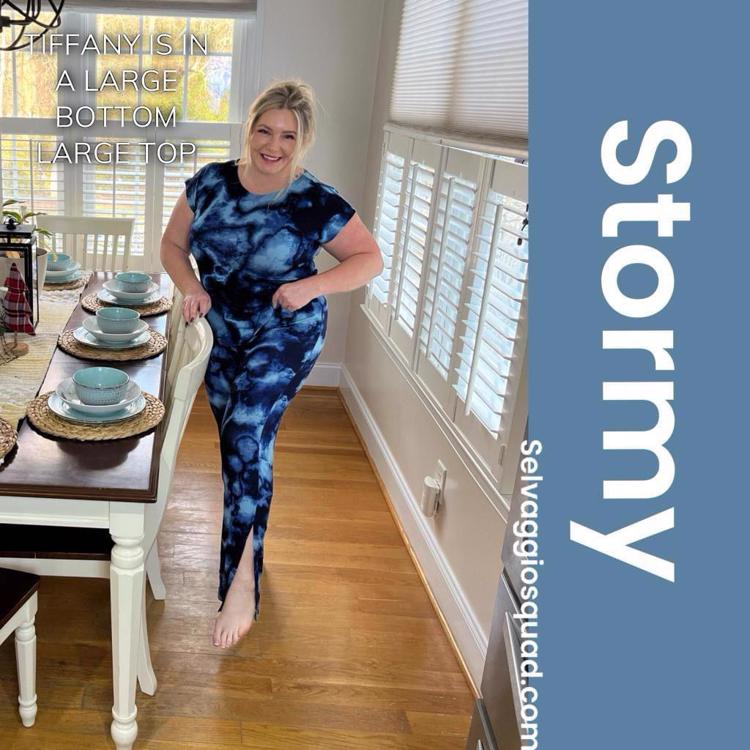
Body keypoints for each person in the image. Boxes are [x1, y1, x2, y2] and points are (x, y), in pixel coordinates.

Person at [160, 80, 383, 648]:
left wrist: (311, 286)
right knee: (246, 447)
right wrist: (192, 288)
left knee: (244, 432)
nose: (273, 145)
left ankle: (241, 583)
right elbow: (172, 246)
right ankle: (251, 548)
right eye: (265, 130)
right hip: (221, 331)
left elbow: (369, 258)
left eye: (288, 135)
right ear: (250, 128)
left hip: (286, 330)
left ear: (302, 140)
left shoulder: (314, 200)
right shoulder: (210, 183)